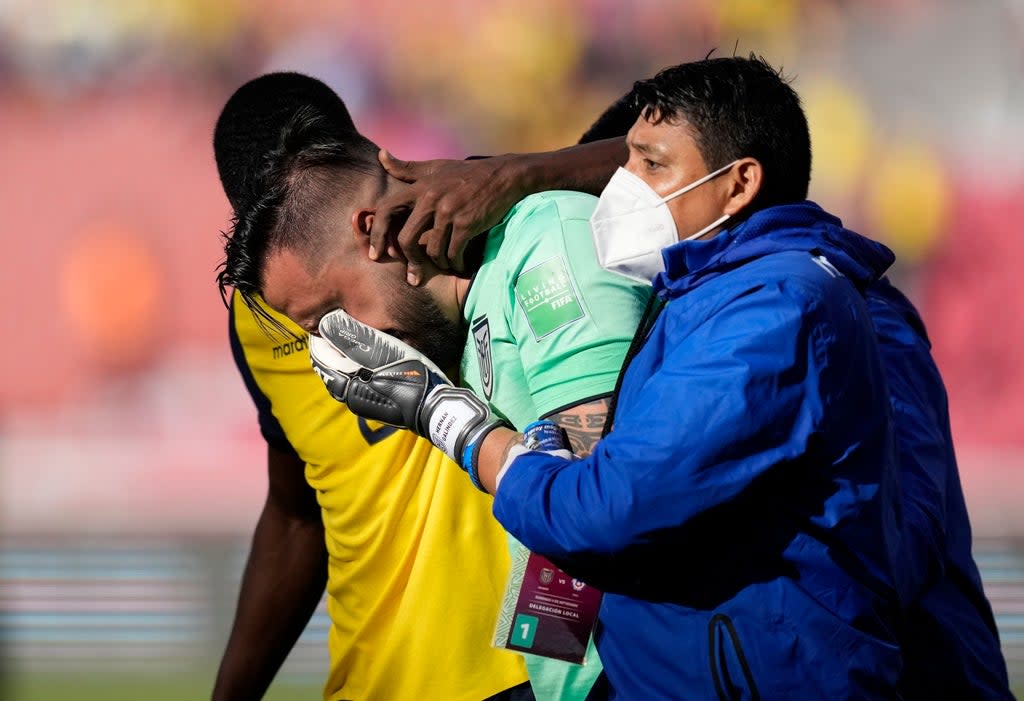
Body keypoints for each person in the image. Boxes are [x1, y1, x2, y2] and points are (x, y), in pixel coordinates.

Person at [309, 54, 970, 699]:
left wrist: (450, 421)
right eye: (623, 161)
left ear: (739, 184)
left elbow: (609, 508)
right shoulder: (698, 297)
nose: (621, 188)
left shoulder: (785, 308)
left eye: (651, 164)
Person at [214, 72, 656, 701]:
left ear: (374, 230)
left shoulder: (482, 216)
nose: (332, 347)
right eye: (310, 325)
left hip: (515, 673)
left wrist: (516, 173)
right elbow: (294, 513)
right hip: (378, 680)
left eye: (326, 315)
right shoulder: (269, 315)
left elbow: (695, 164)